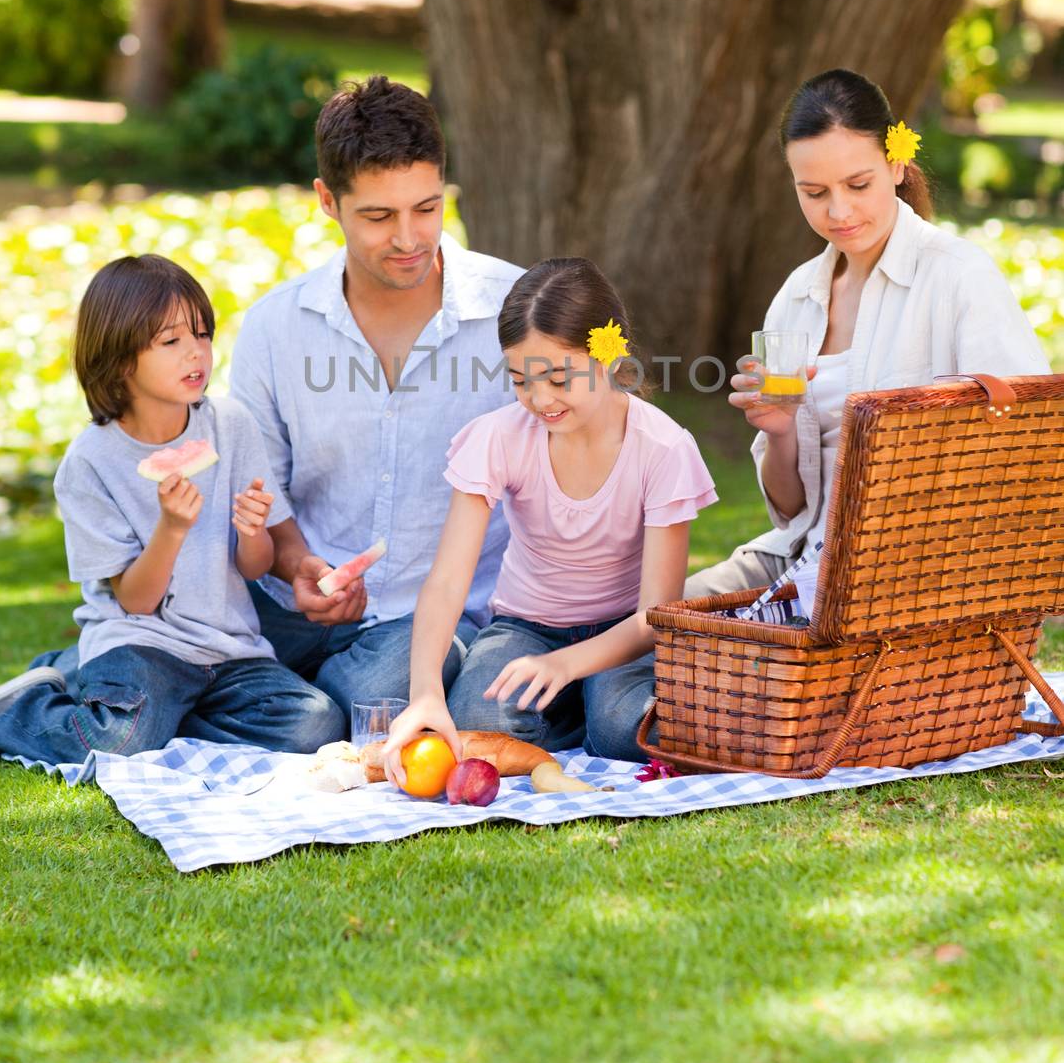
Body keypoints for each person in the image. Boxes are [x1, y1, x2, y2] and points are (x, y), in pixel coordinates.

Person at [590, 67, 1053, 758]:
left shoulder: (955, 276)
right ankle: (735, 711)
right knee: (623, 640)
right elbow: (790, 511)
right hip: (799, 559)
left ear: (896, 162)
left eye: (857, 184)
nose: (838, 211)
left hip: (906, 580)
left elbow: (1026, 445)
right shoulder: (797, 300)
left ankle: (723, 715)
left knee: (635, 686)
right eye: (814, 192)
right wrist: (777, 432)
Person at [228, 76, 523, 717]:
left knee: (373, 698)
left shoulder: (515, 311)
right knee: (185, 654)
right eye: (378, 216)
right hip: (298, 614)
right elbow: (257, 490)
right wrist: (297, 567)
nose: (410, 238)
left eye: (426, 207)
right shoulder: (274, 330)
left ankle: (298, 703)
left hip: (453, 614)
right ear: (328, 201)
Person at [381, 258, 718, 781]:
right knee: (477, 719)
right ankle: (565, 705)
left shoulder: (663, 448)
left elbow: (655, 614)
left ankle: (577, 703)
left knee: (620, 731)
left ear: (607, 356)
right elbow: (448, 581)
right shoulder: (499, 438)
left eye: (558, 378)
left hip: (623, 633)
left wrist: (567, 666)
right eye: (520, 381)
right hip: (525, 628)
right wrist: (425, 694)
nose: (539, 400)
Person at [0, 256, 344, 763]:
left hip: (229, 648)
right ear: (119, 359)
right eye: (171, 341)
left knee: (314, 725)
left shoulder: (230, 424)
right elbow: (136, 602)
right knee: (116, 742)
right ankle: (22, 707)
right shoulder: (89, 463)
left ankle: (143, 712)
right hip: (142, 645)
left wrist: (253, 533)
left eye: (201, 335)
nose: (196, 354)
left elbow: (253, 565)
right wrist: (172, 529)